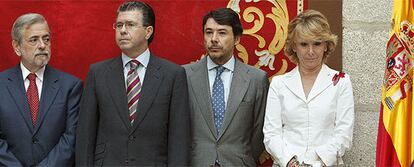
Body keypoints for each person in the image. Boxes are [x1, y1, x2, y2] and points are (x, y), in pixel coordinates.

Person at [75, 1, 190, 166]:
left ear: (148, 31)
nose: (122, 30)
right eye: (119, 25)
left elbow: (179, 138)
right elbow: (85, 135)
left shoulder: (172, 74)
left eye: (130, 25)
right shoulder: (98, 73)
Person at [263, 9, 354, 167]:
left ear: (326, 45)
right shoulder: (279, 84)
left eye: (317, 43)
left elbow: (344, 133)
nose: (311, 52)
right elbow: (271, 134)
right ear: (294, 47)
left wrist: (319, 163)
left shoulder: (341, 82)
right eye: (304, 44)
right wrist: (290, 162)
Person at [184, 8, 269, 166]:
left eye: (222, 33)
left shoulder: (256, 79)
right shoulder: (184, 75)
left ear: (237, 38)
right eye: (209, 32)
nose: (214, 39)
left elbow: (259, 133)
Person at [0, 13, 82, 166]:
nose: (43, 45)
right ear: (16, 47)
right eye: (34, 40)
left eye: (46, 39)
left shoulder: (71, 86)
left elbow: (72, 137)